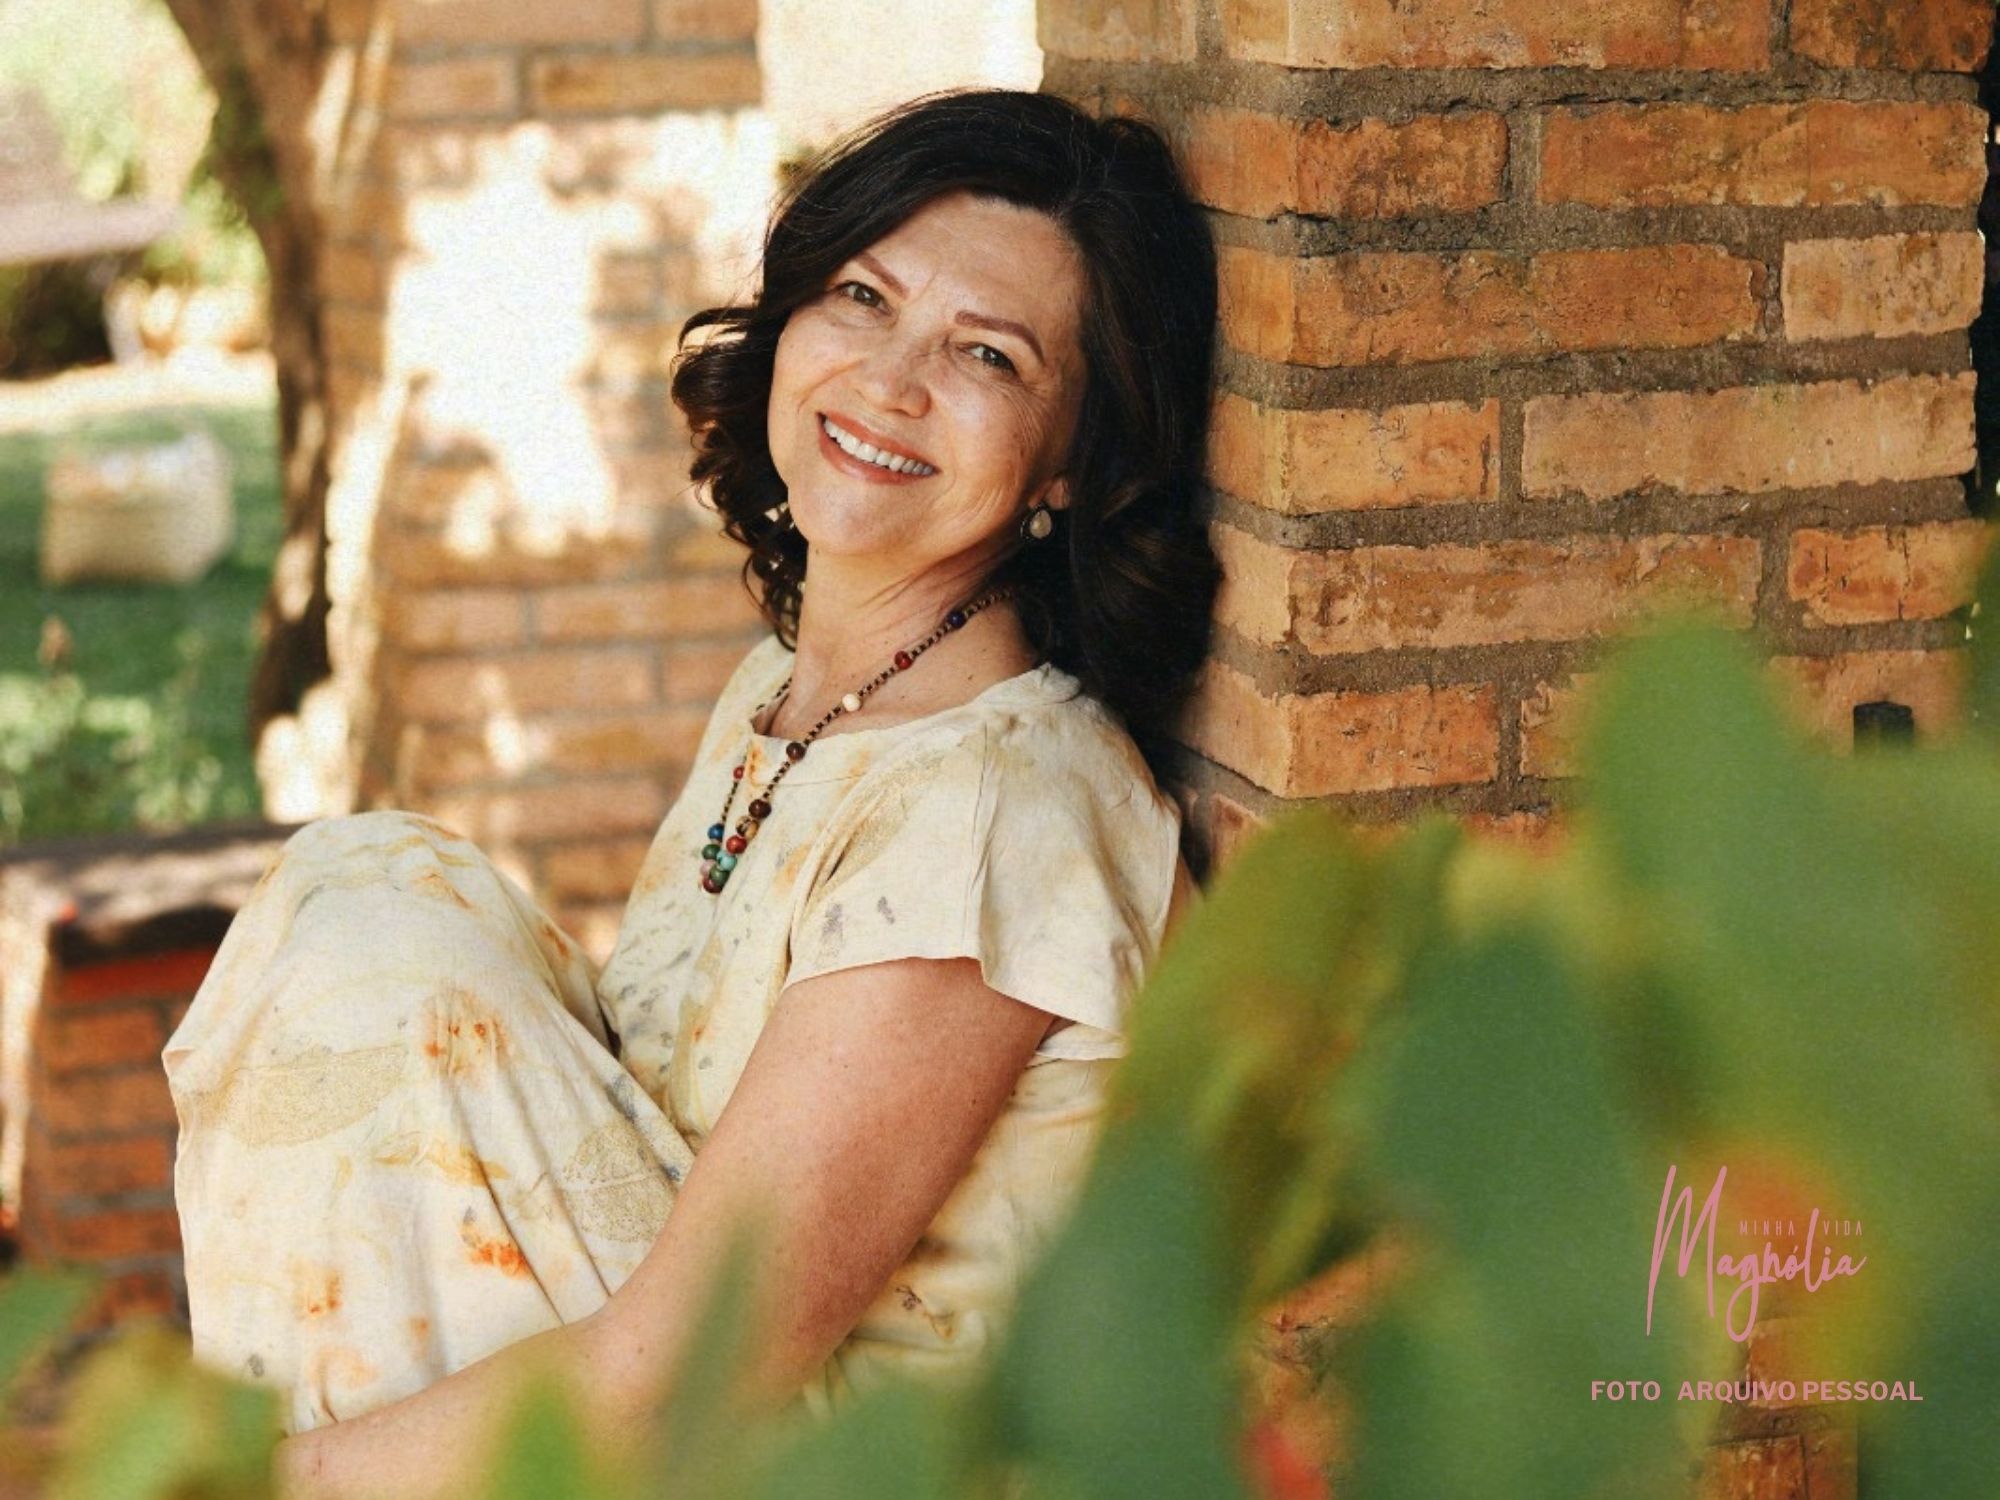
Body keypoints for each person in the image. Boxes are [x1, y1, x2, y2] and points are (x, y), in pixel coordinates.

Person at [161, 86, 1221, 1499]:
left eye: (988, 354)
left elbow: (695, 1367)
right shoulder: (790, 692)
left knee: (376, 941)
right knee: (371, 900)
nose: (891, 380)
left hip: (829, 1467)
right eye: (863, 297)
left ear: (1074, 463)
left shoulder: (991, 815)